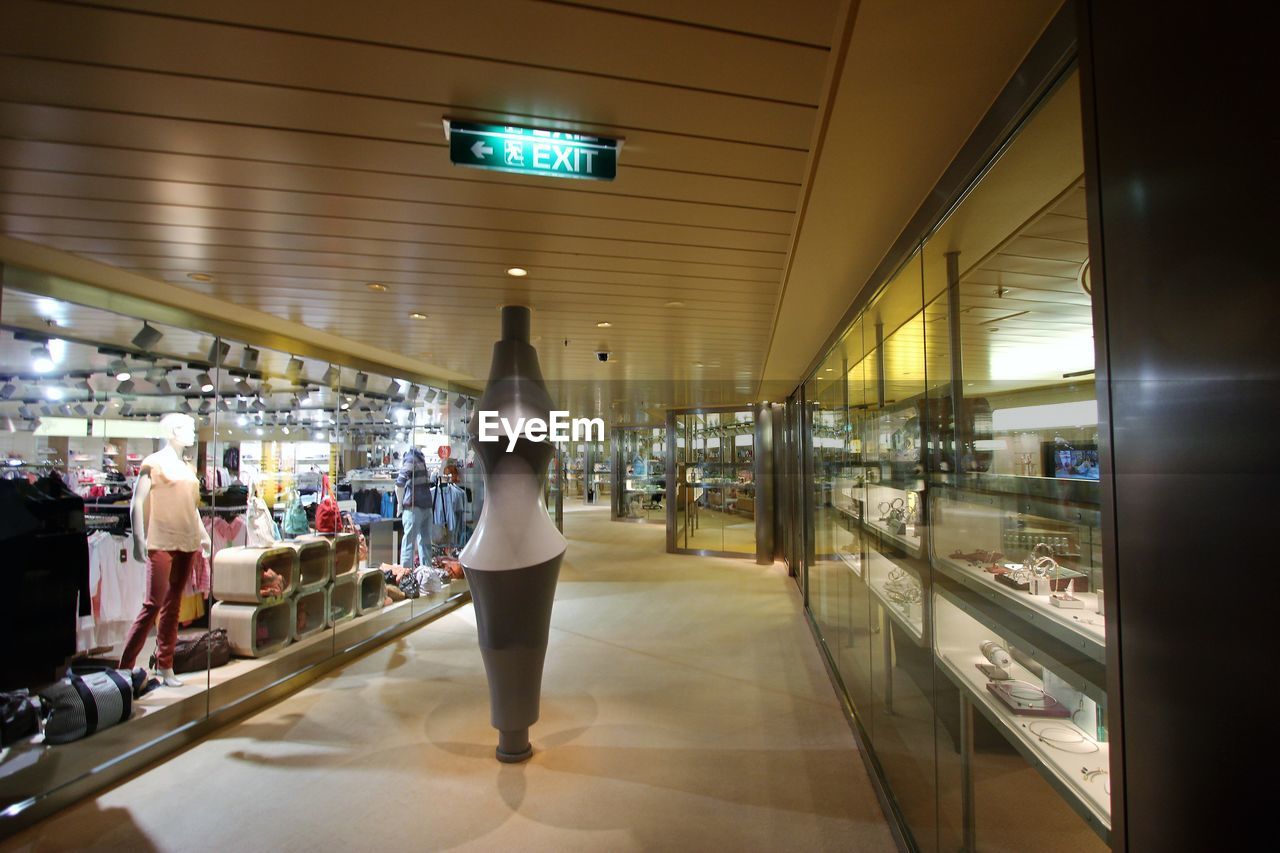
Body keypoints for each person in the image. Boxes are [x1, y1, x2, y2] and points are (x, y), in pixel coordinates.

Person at [119, 413, 211, 687]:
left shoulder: (187, 468)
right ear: (173, 430)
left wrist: (204, 536)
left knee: (173, 606)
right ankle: (125, 666)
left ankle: (165, 664)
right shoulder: (153, 462)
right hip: (160, 541)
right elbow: (137, 503)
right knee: (153, 604)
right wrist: (138, 539)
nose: (194, 433)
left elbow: (192, 508)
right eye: (189, 429)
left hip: (187, 541)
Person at [395, 446, 432, 567]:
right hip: (413, 506)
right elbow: (399, 483)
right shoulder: (411, 458)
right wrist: (400, 504)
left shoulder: (420, 458)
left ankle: (426, 574)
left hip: (424, 505)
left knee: (425, 543)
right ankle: (406, 576)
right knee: (410, 543)